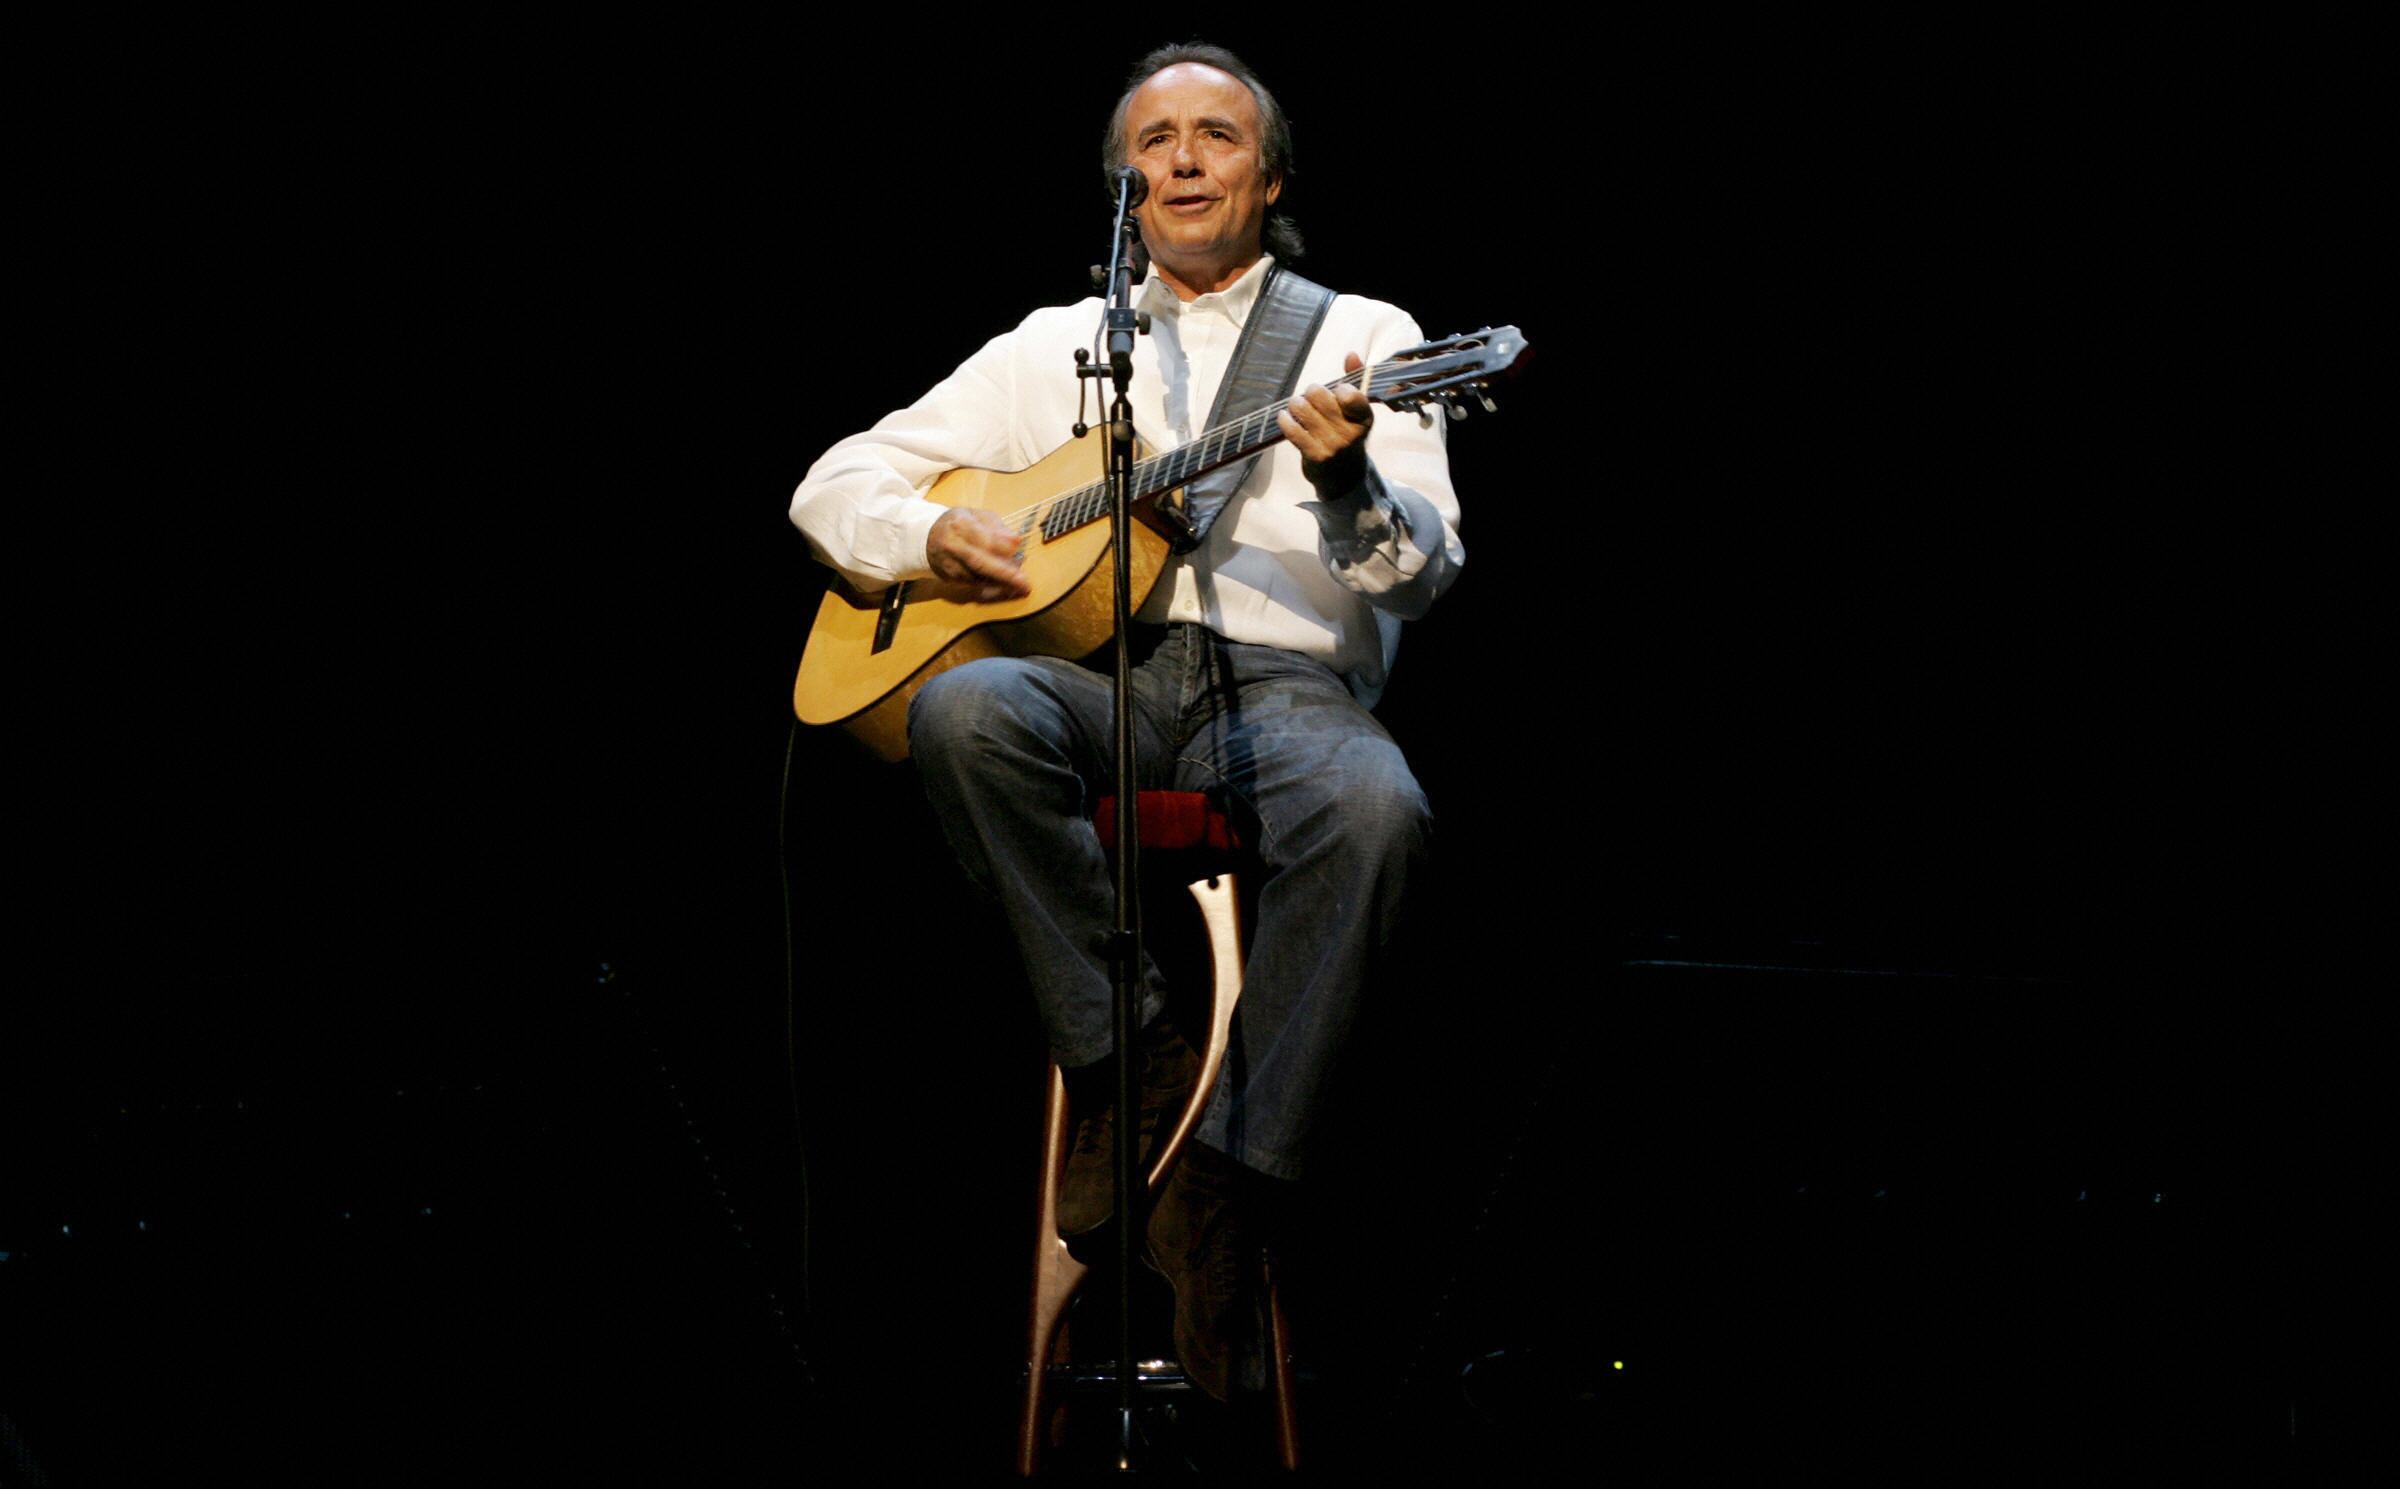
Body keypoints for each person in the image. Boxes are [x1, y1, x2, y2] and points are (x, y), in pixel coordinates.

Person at [789, 43, 1463, 1401]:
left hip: (1283, 691)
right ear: (1123, 183)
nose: (1184, 160)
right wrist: (932, 535)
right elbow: (832, 482)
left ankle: (1224, 1169)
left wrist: (1339, 486)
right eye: (1156, 143)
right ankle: (1126, 1048)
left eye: (1216, 135)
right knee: (966, 703)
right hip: (1099, 684)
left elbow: (1420, 573)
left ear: (1267, 176)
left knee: (1382, 809)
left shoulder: (1363, 338)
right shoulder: (1060, 344)